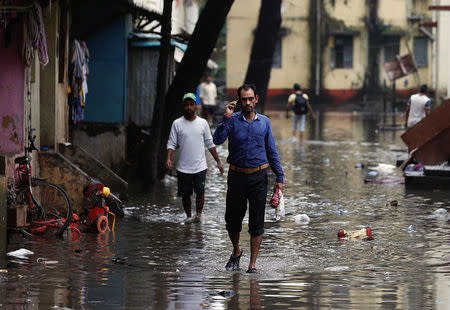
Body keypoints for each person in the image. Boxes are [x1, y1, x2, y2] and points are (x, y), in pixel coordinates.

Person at [213, 84, 284, 273]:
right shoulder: (232, 120)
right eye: (243, 99)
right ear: (239, 101)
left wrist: (280, 176)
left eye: (250, 98)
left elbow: (271, 151)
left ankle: (252, 265)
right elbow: (217, 140)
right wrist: (226, 116)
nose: (247, 102)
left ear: (256, 99)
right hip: (236, 176)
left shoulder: (265, 122)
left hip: (259, 177)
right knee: (232, 221)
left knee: (257, 222)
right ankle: (237, 250)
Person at [166, 92, 224, 221]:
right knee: (185, 195)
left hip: (200, 167)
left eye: (191, 104)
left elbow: (210, 143)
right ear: (183, 106)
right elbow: (171, 142)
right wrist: (169, 158)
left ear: (195, 106)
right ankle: (188, 217)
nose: (189, 107)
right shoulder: (177, 123)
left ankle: (198, 216)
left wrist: (218, 162)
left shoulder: (203, 123)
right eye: (186, 105)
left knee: (200, 192)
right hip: (183, 168)